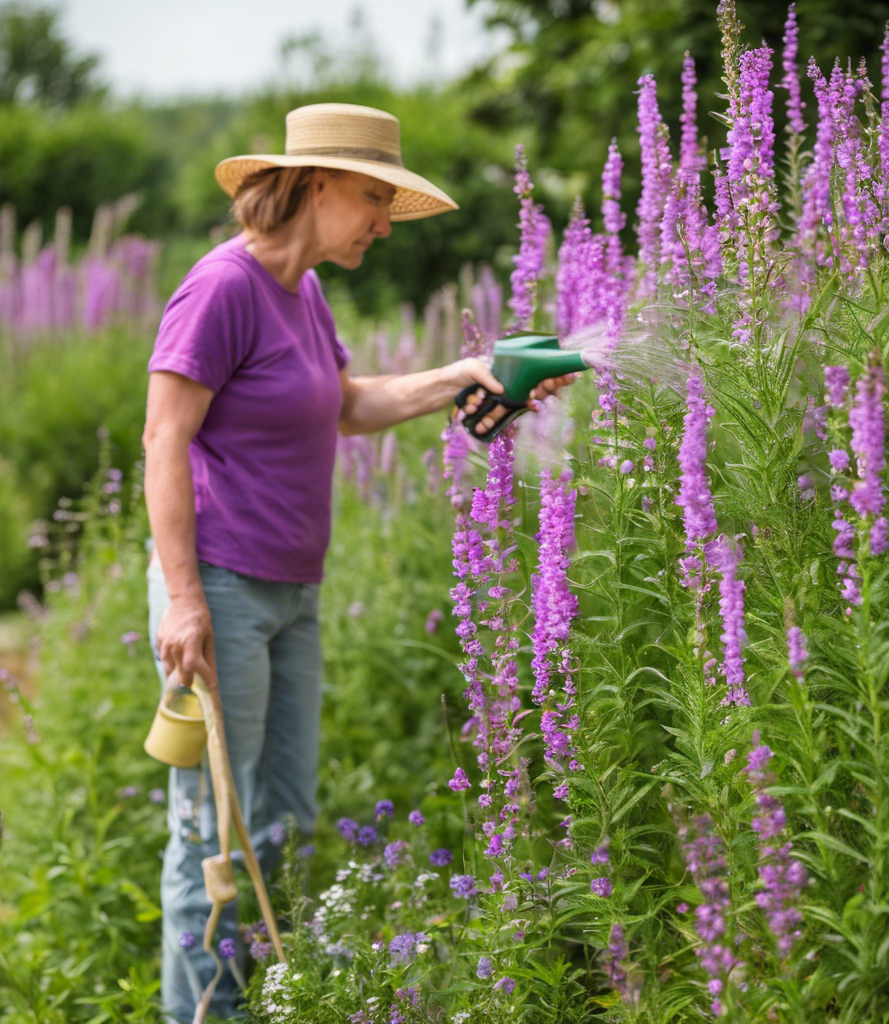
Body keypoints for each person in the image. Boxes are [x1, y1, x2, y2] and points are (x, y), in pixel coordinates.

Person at [143, 102, 572, 1022]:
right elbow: (162, 438)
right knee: (212, 841)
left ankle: (261, 1006)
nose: (383, 222)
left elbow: (348, 404)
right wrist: (183, 598)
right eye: (374, 197)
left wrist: (470, 372)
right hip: (220, 590)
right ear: (314, 183)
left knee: (283, 827)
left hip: (293, 594)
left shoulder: (303, 291)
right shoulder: (222, 288)